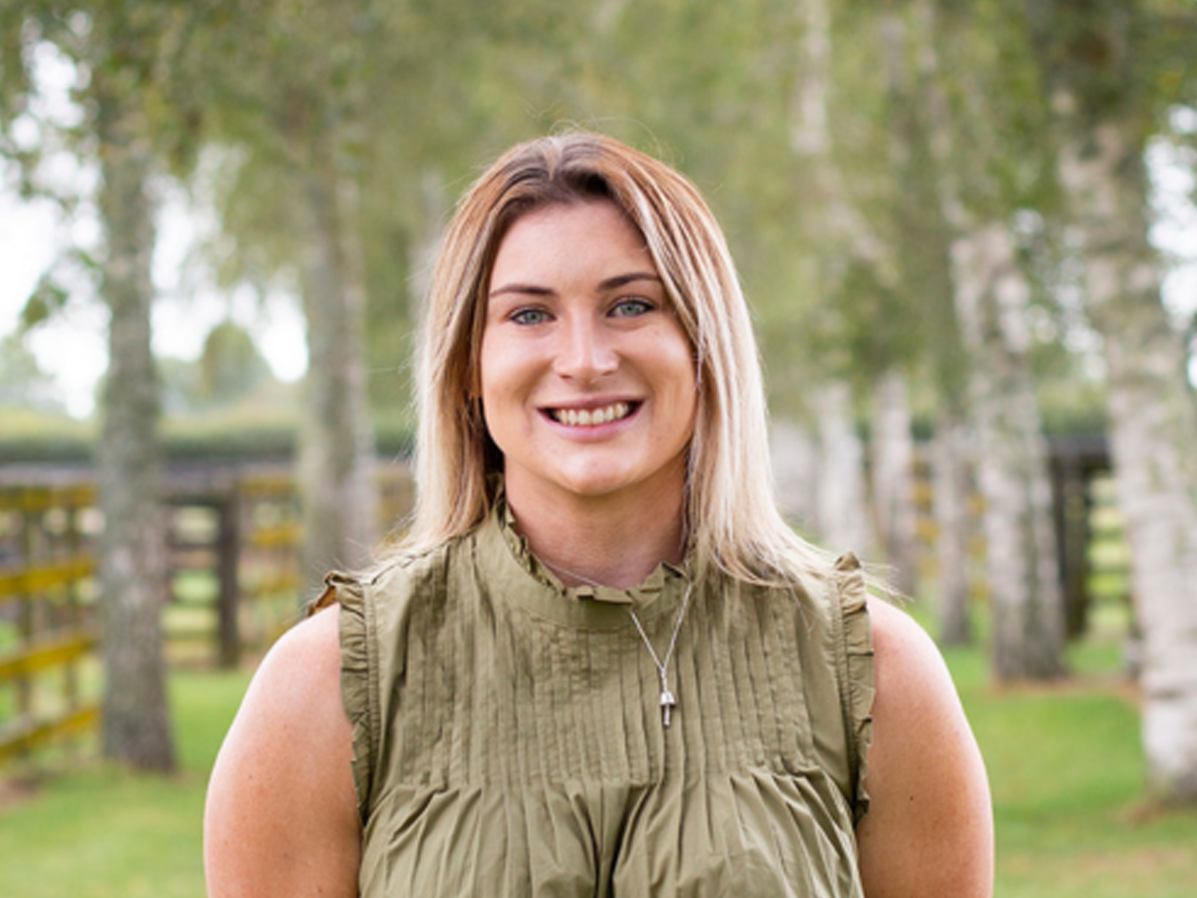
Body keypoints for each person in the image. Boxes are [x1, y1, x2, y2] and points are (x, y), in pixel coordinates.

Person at [204, 130, 993, 897]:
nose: (583, 361)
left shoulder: (872, 672)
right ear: (469, 368)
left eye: (630, 305)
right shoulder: (325, 688)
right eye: (527, 315)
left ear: (703, 343)